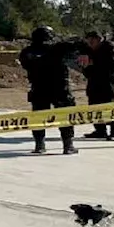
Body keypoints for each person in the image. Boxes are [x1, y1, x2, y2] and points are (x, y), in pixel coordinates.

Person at [19, 25, 82, 155]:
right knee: (65, 115)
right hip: (59, 88)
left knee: (38, 117)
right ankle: (68, 145)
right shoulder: (57, 48)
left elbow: (26, 65)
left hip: (39, 88)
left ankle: (39, 145)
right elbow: (77, 46)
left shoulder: (27, 52)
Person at [79, 30, 114, 141]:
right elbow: (85, 62)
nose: (90, 44)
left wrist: (94, 62)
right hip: (93, 80)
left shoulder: (111, 47)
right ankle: (100, 130)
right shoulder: (88, 49)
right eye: (88, 41)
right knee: (93, 105)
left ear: (98, 39)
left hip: (107, 80)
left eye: (92, 41)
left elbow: (112, 62)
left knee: (109, 105)